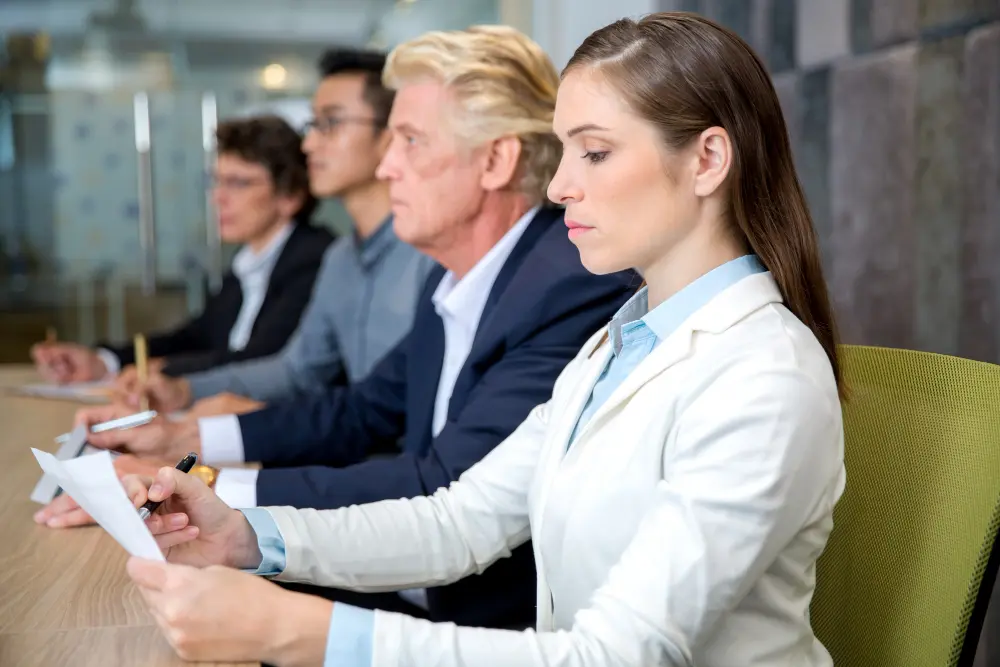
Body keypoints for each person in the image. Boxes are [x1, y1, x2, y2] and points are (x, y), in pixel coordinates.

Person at [38, 25, 637, 631]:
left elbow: (440, 486)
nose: (387, 165)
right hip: (407, 583)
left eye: (409, 140)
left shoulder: (567, 285)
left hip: (477, 625)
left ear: (495, 160)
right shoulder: (457, 276)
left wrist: (207, 483)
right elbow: (362, 410)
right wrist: (187, 445)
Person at [112, 48, 436, 418]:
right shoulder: (342, 259)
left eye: (330, 123)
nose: (309, 144)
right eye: (312, 126)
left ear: (389, 136)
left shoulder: (431, 256)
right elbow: (298, 371)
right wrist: (185, 390)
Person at [31, 115, 334, 383]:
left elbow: (264, 360)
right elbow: (196, 337)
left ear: (290, 195)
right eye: (216, 182)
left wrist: (164, 370)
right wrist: (103, 361)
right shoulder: (249, 260)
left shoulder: (314, 260)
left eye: (238, 183)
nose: (218, 198)